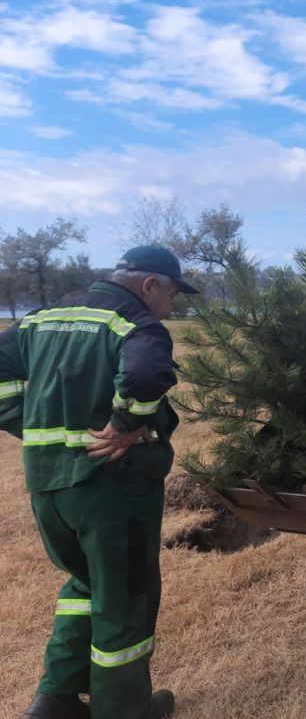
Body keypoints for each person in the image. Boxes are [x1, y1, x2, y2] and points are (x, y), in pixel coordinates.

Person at [0, 246, 199, 719]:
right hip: (112, 489)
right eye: (171, 294)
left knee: (85, 585)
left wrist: (26, 424)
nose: (171, 307)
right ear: (150, 284)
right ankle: (124, 709)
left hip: (50, 487)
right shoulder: (134, 322)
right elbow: (149, 373)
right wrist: (128, 421)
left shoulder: (44, 318)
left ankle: (57, 700)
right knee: (125, 598)